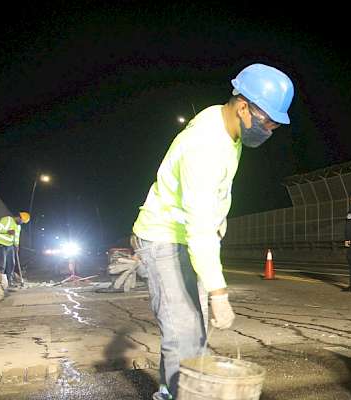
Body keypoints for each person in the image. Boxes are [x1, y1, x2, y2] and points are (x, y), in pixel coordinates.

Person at [131, 63, 294, 400]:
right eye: (269, 122)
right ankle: (174, 394)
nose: (271, 130)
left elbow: (216, 193)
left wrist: (221, 218)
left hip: (187, 232)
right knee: (184, 331)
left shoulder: (226, 126)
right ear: (243, 106)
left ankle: (179, 389)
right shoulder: (204, 145)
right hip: (165, 236)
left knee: (196, 330)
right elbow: (198, 225)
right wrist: (219, 293)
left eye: (277, 125)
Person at [0, 212, 30, 288]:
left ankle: (9, 281)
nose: (21, 223)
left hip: (10, 246)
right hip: (0, 244)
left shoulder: (18, 226)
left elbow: (17, 237)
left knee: (11, 264)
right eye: (21, 221)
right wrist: (7, 232)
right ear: (19, 217)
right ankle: (0, 283)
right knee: (1, 265)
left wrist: (16, 245)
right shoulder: (6, 220)